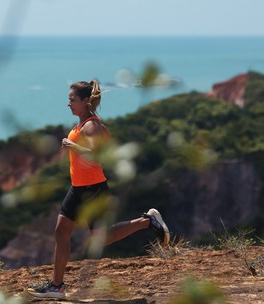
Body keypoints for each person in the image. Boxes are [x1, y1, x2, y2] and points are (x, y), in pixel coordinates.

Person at [27, 80, 170, 299]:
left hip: (92, 189)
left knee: (101, 239)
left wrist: (72, 145)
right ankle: (57, 286)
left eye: (72, 100)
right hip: (78, 188)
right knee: (61, 231)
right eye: (69, 99)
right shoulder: (86, 123)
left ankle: (147, 221)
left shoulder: (90, 125)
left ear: (86, 101)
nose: (69, 104)